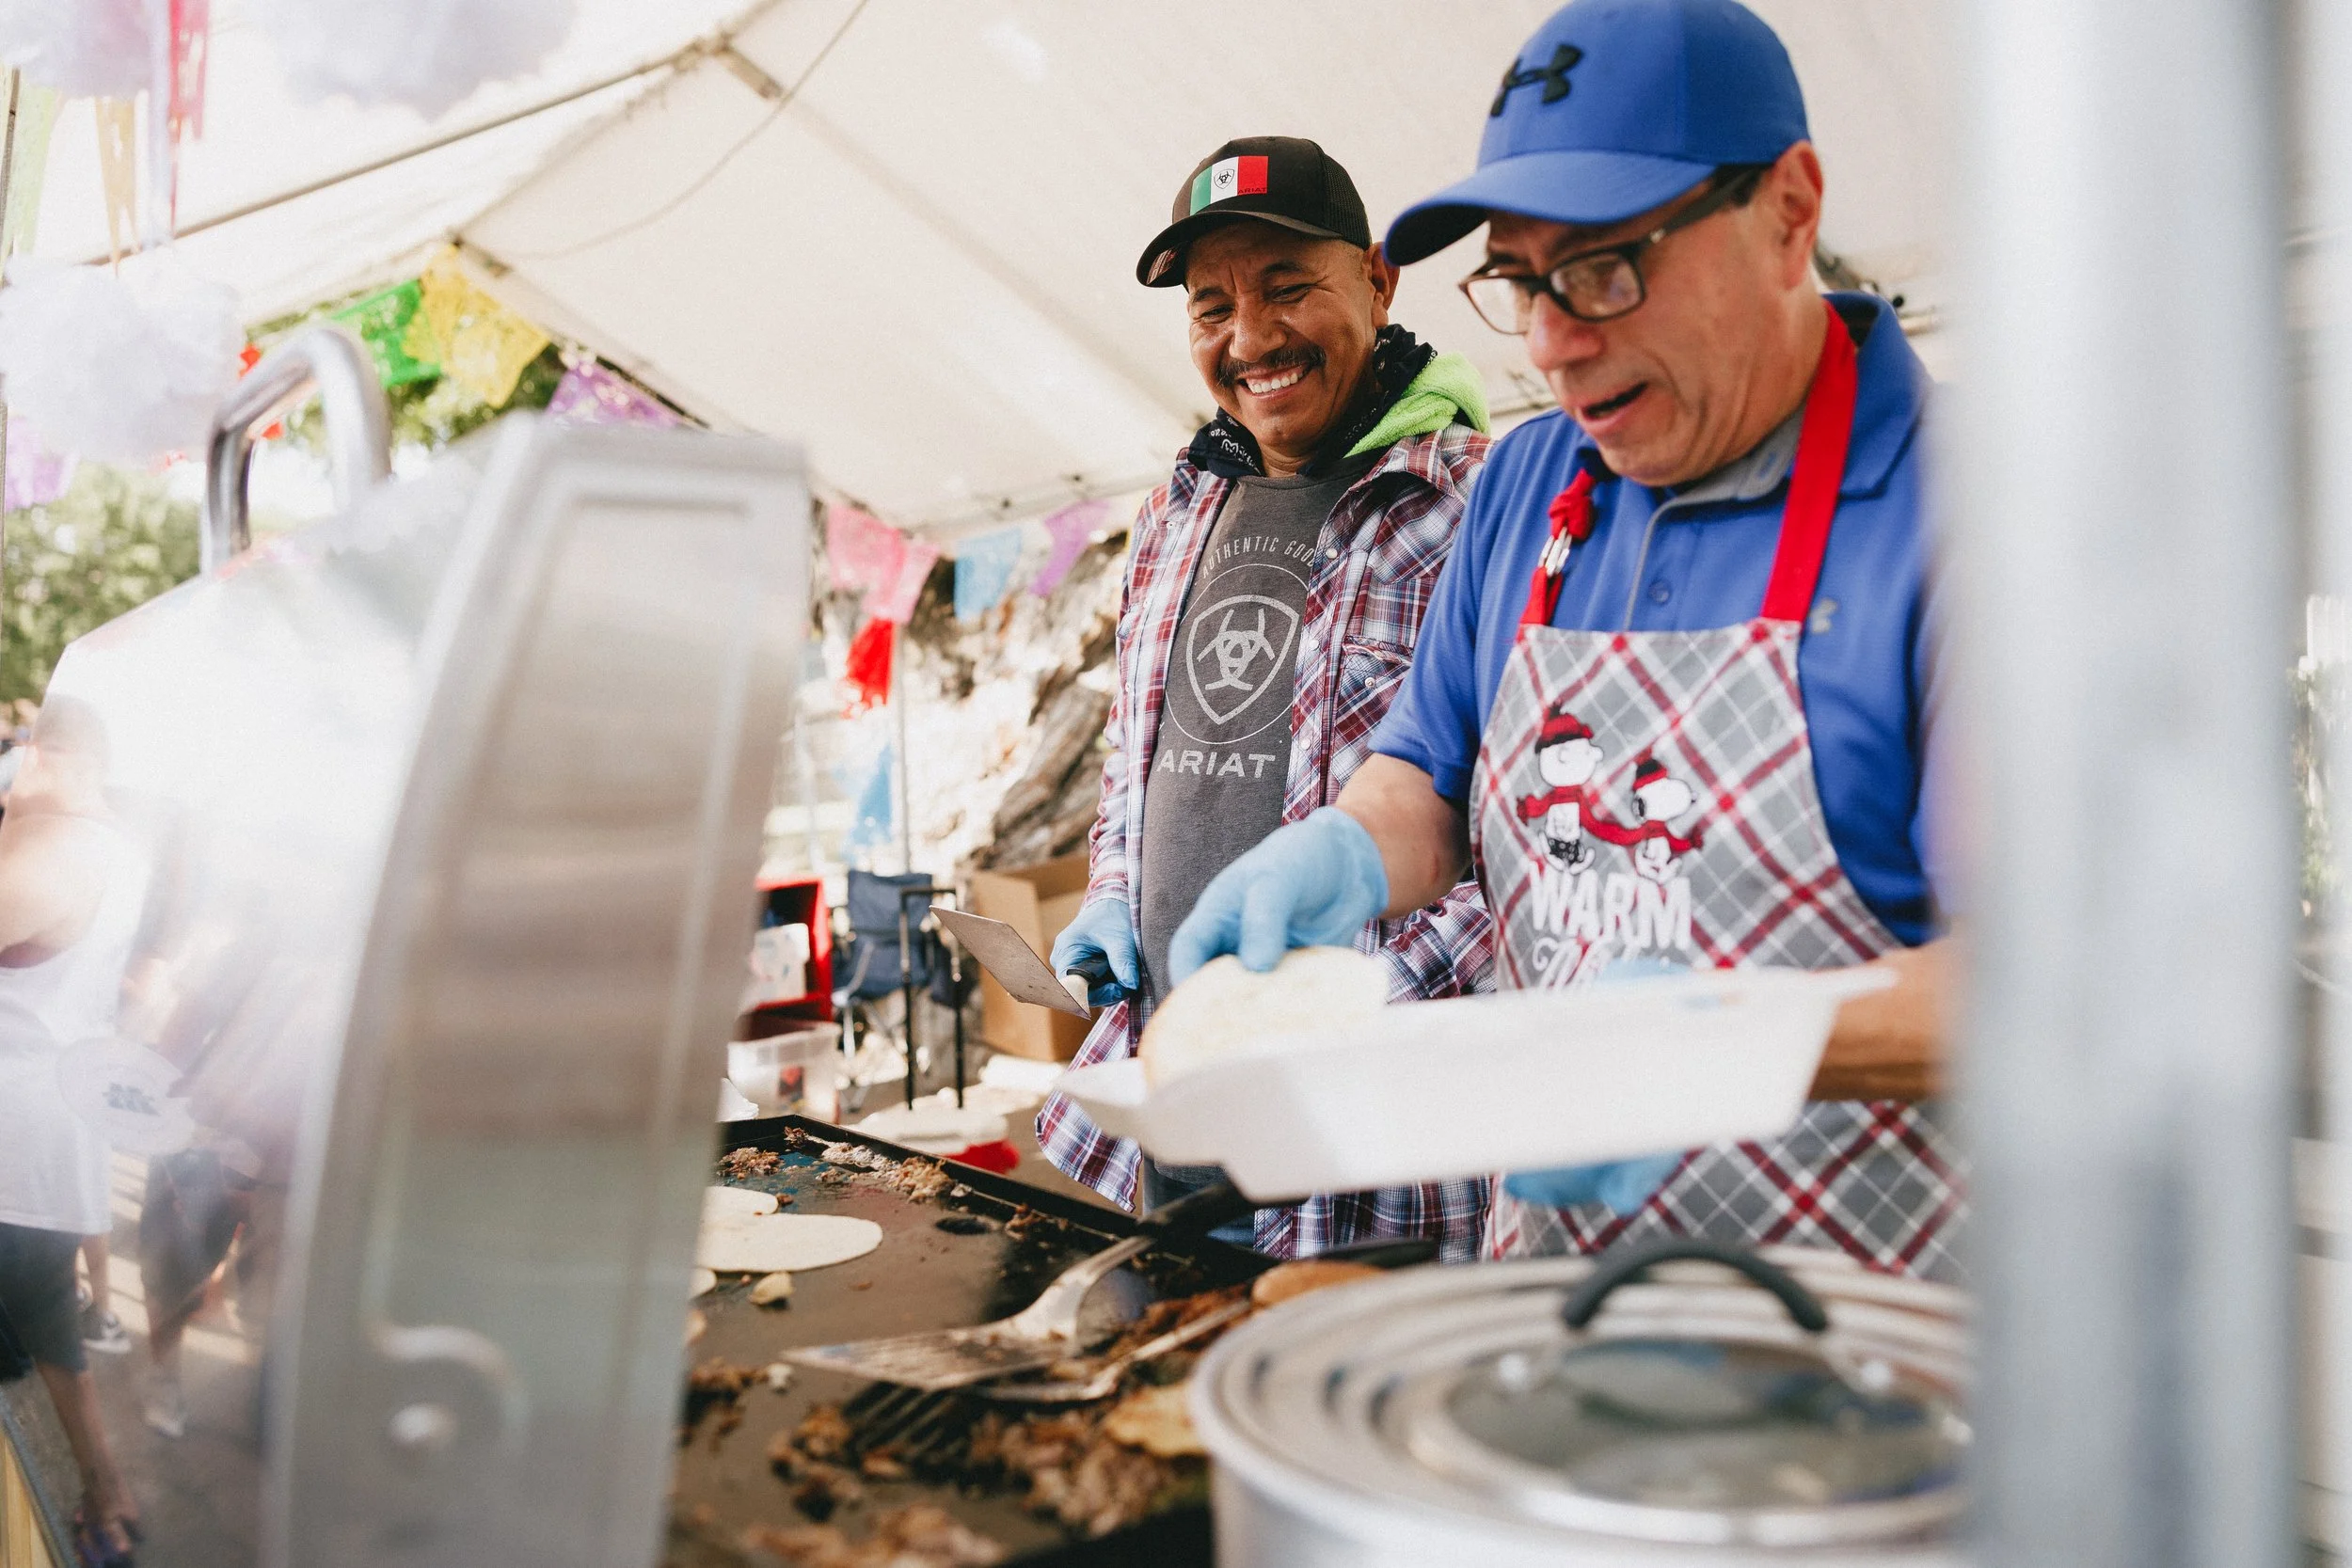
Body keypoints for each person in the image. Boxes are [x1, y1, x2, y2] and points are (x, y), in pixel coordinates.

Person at [1169, 0, 1960, 1279]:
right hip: (1557, 1295)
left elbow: (2050, 987)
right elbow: (1428, 775)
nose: (1550, 338)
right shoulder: (1532, 482)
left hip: (1871, 1350)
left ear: (1791, 210)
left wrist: (1729, 1037)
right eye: (1521, 279)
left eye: (1602, 266)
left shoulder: (1972, 513)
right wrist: (1338, 857)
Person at [1036, 136, 1499, 1259]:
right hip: (1172, 1127)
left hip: (1371, 1155)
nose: (1250, 339)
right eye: (1212, 308)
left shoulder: (1483, 505)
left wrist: (1344, 1011)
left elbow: (1530, 837)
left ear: (1378, 280)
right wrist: (1112, 887)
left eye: (1289, 287)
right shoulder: (1177, 511)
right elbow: (1135, 757)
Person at [0, 699, 147, 1560]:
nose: (16, 768)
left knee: (49, 1330)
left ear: (59, 757)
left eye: (25, 752)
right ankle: (104, 1498)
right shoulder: (109, 845)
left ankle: (105, 1498)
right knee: (49, 1330)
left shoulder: (58, 849)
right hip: (42, 1136)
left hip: (15, 1142)